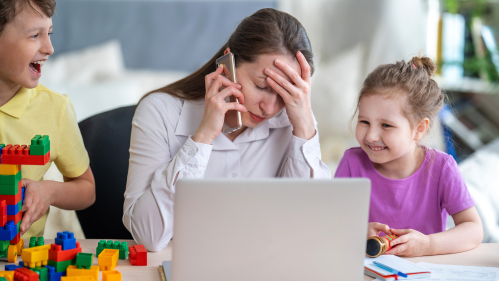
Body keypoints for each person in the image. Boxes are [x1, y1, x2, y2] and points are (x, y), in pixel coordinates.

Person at [124, 8, 331, 251]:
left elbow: (304, 230)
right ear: (227, 63)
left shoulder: (295, 121)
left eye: (284, 93)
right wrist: (201, 138)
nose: (269, 107)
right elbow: (148, 236)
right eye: (262, 86)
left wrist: (305, 128)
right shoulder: (159, 112)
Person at [335, 56, 483, 257]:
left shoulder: (441, 167)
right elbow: (332, 223)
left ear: (419, 129)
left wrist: (428, 244)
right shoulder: (352, 163)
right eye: (364, 122)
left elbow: (473, 229)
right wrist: (355, 233)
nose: (371, 136)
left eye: (386, 125)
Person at [0, 0, 96, 238]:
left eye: (49, 34)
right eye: (34, 35)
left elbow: (87, 189)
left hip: (21, 263)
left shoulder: (56, 109)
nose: (50, 48)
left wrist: (49, 192)